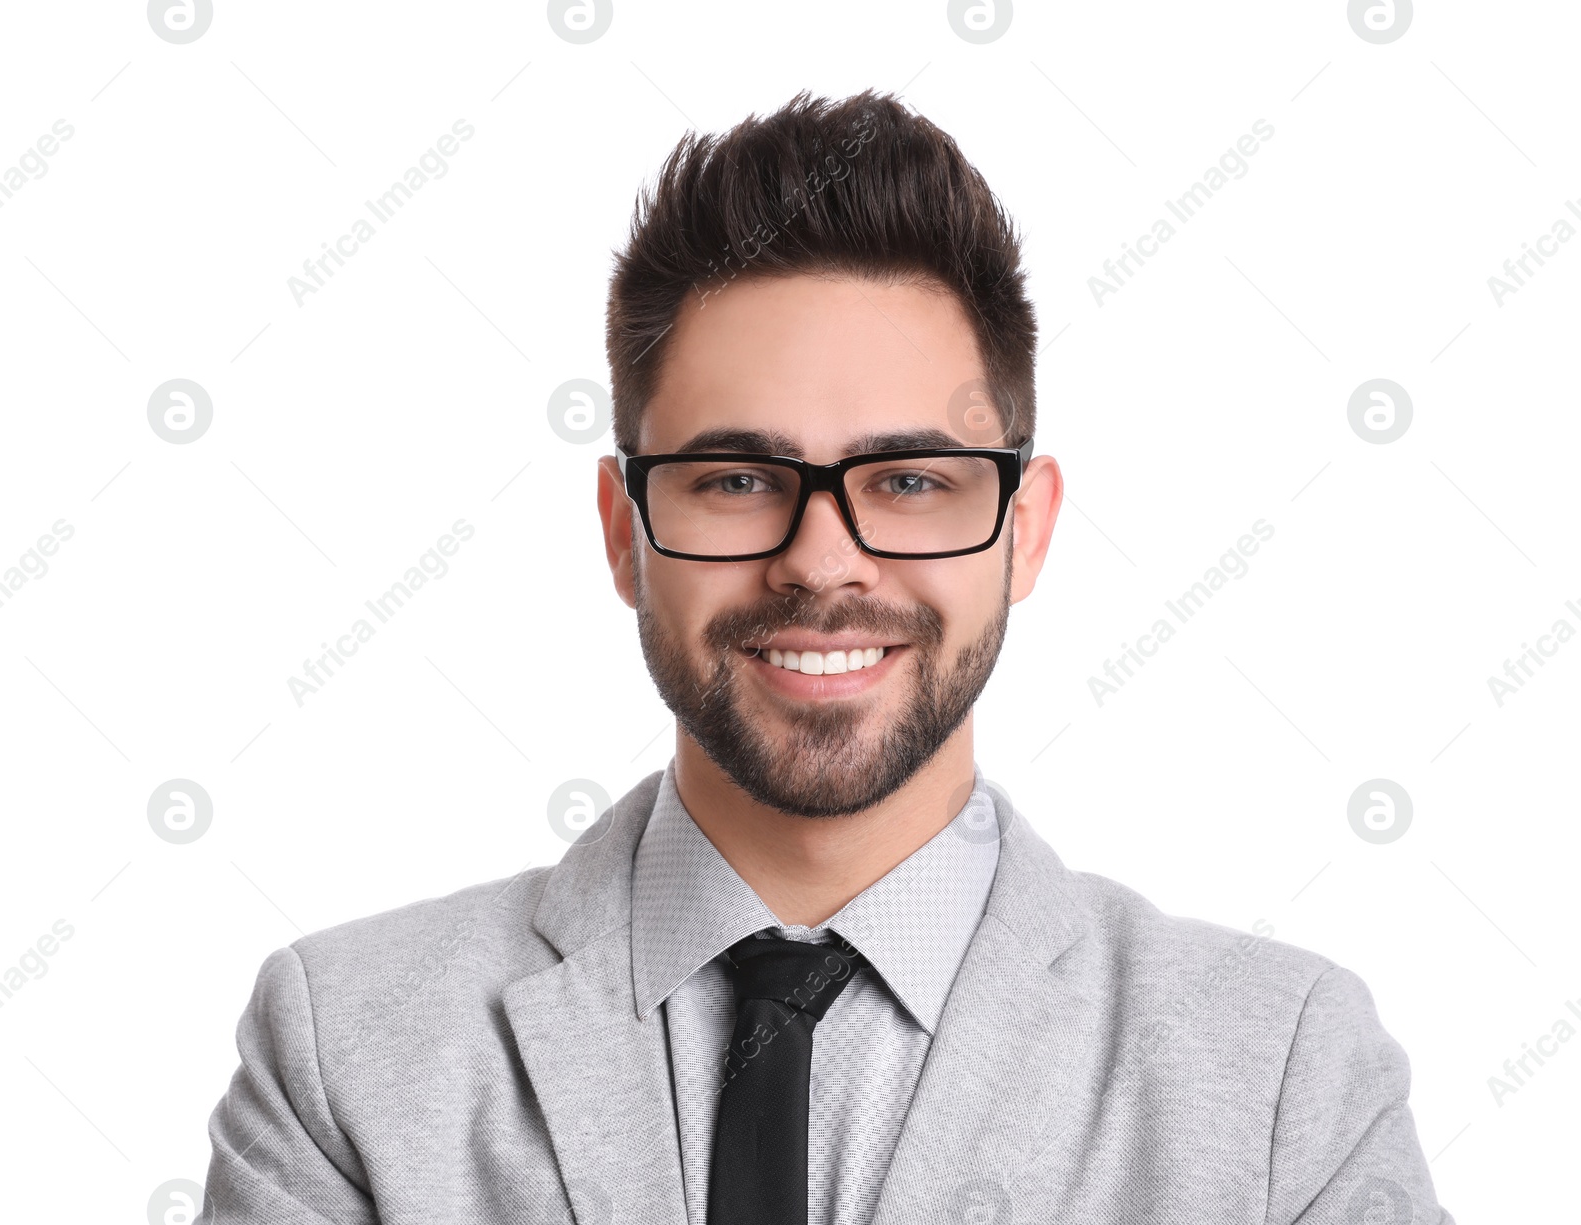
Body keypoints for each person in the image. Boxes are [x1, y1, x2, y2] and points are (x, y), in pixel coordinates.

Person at [199, 89, 1453, 1225]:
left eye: (908, 480)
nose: (820, 562)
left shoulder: (1283, 1074)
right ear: (624, 532)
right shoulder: (346, 1054)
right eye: (737, 478)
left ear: (1024, 531)